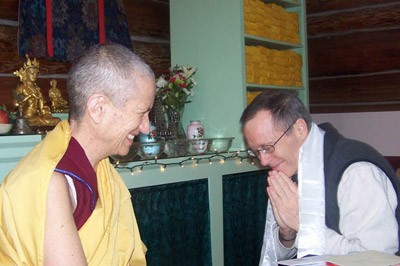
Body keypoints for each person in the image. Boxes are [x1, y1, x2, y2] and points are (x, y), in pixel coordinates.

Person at [0, 43, 156, 265]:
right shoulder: (52, 183)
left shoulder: (100, 166)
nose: (146, 127)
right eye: (142, 113)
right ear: (98, 108)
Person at [240, 90, 400, 265]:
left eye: (267, 147)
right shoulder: (288, 168)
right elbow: (277, 255)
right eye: (255, 152)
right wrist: (288, 233)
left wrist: (303, 224)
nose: (263, 160)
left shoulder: (357, 173)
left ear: (299, 129)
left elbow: (376, 259)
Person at [13, 54, 61, 127]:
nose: (34, 75)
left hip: (37, 117)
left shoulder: (37, 89)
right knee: (26, 122)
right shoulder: (21, 88)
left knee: (57, 120)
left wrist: (45, 112)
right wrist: (28, 97)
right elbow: (15, 105)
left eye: (36, 74)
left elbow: (41, 106)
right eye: (32, 73)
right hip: (26, 118)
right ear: (25, 74)